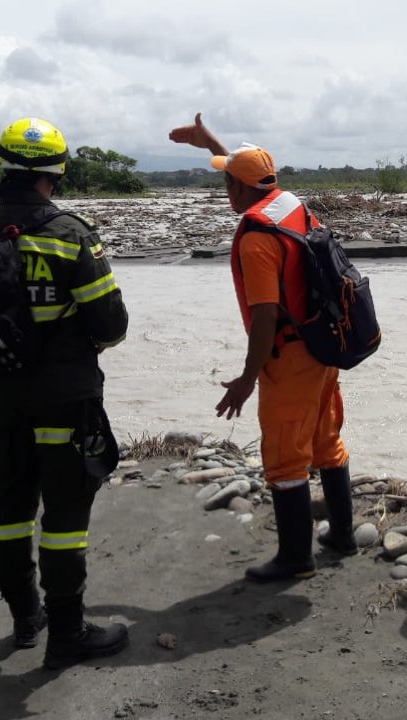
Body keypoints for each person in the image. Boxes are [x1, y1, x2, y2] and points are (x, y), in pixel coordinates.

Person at [0, 117, 130, 669]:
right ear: (57, 170)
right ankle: (67, 633)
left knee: (10, 503)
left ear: (4, 164)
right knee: (64, 516)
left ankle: (23, 618)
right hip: (65, 396)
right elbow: (111, 325)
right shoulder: (71, 234)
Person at [168, 113, 355, 582]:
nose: (225, 192)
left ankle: (296, 557)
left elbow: (266, 315)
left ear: (238, 189)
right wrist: (214, 144)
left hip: (288, 355)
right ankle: (343, 535)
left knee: (285, 455)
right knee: (326, 440)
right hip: (322, 345)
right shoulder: (289, 203)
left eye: (227, 183)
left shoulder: (255, 237)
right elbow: (246, 171)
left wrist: (247, 379)